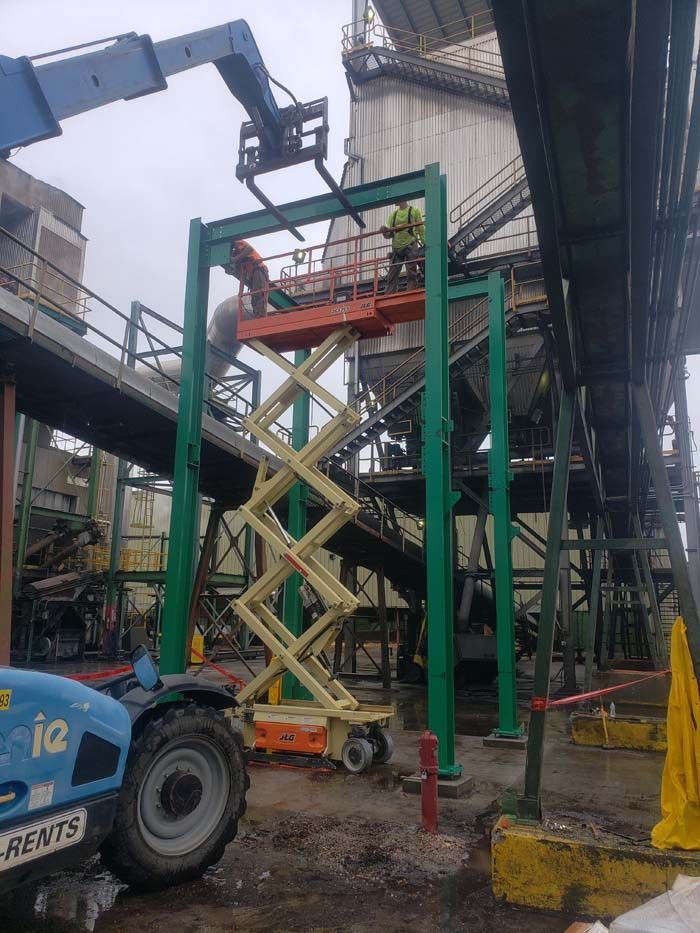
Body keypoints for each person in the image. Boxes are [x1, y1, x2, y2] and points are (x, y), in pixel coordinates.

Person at [381, 199, 425, 294]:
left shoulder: (414, 211)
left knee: (411, 271)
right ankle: (390, 293)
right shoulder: (393, 215)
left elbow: (421, 229)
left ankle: (411, 291)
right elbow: (389, 234)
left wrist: (427, 243)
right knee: (392, 274)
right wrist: (384, 231)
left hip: (410, 245)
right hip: (397, 248)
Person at [224, 239, 269, 318]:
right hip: (253, 274)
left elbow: (249, 249)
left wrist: (235, 259)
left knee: (258, 294)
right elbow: (237, 271)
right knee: (255, 296)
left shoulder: (237, 243)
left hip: (258, 269)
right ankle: (258, 316)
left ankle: (261, 317)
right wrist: (231, 272)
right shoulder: (236, 254)